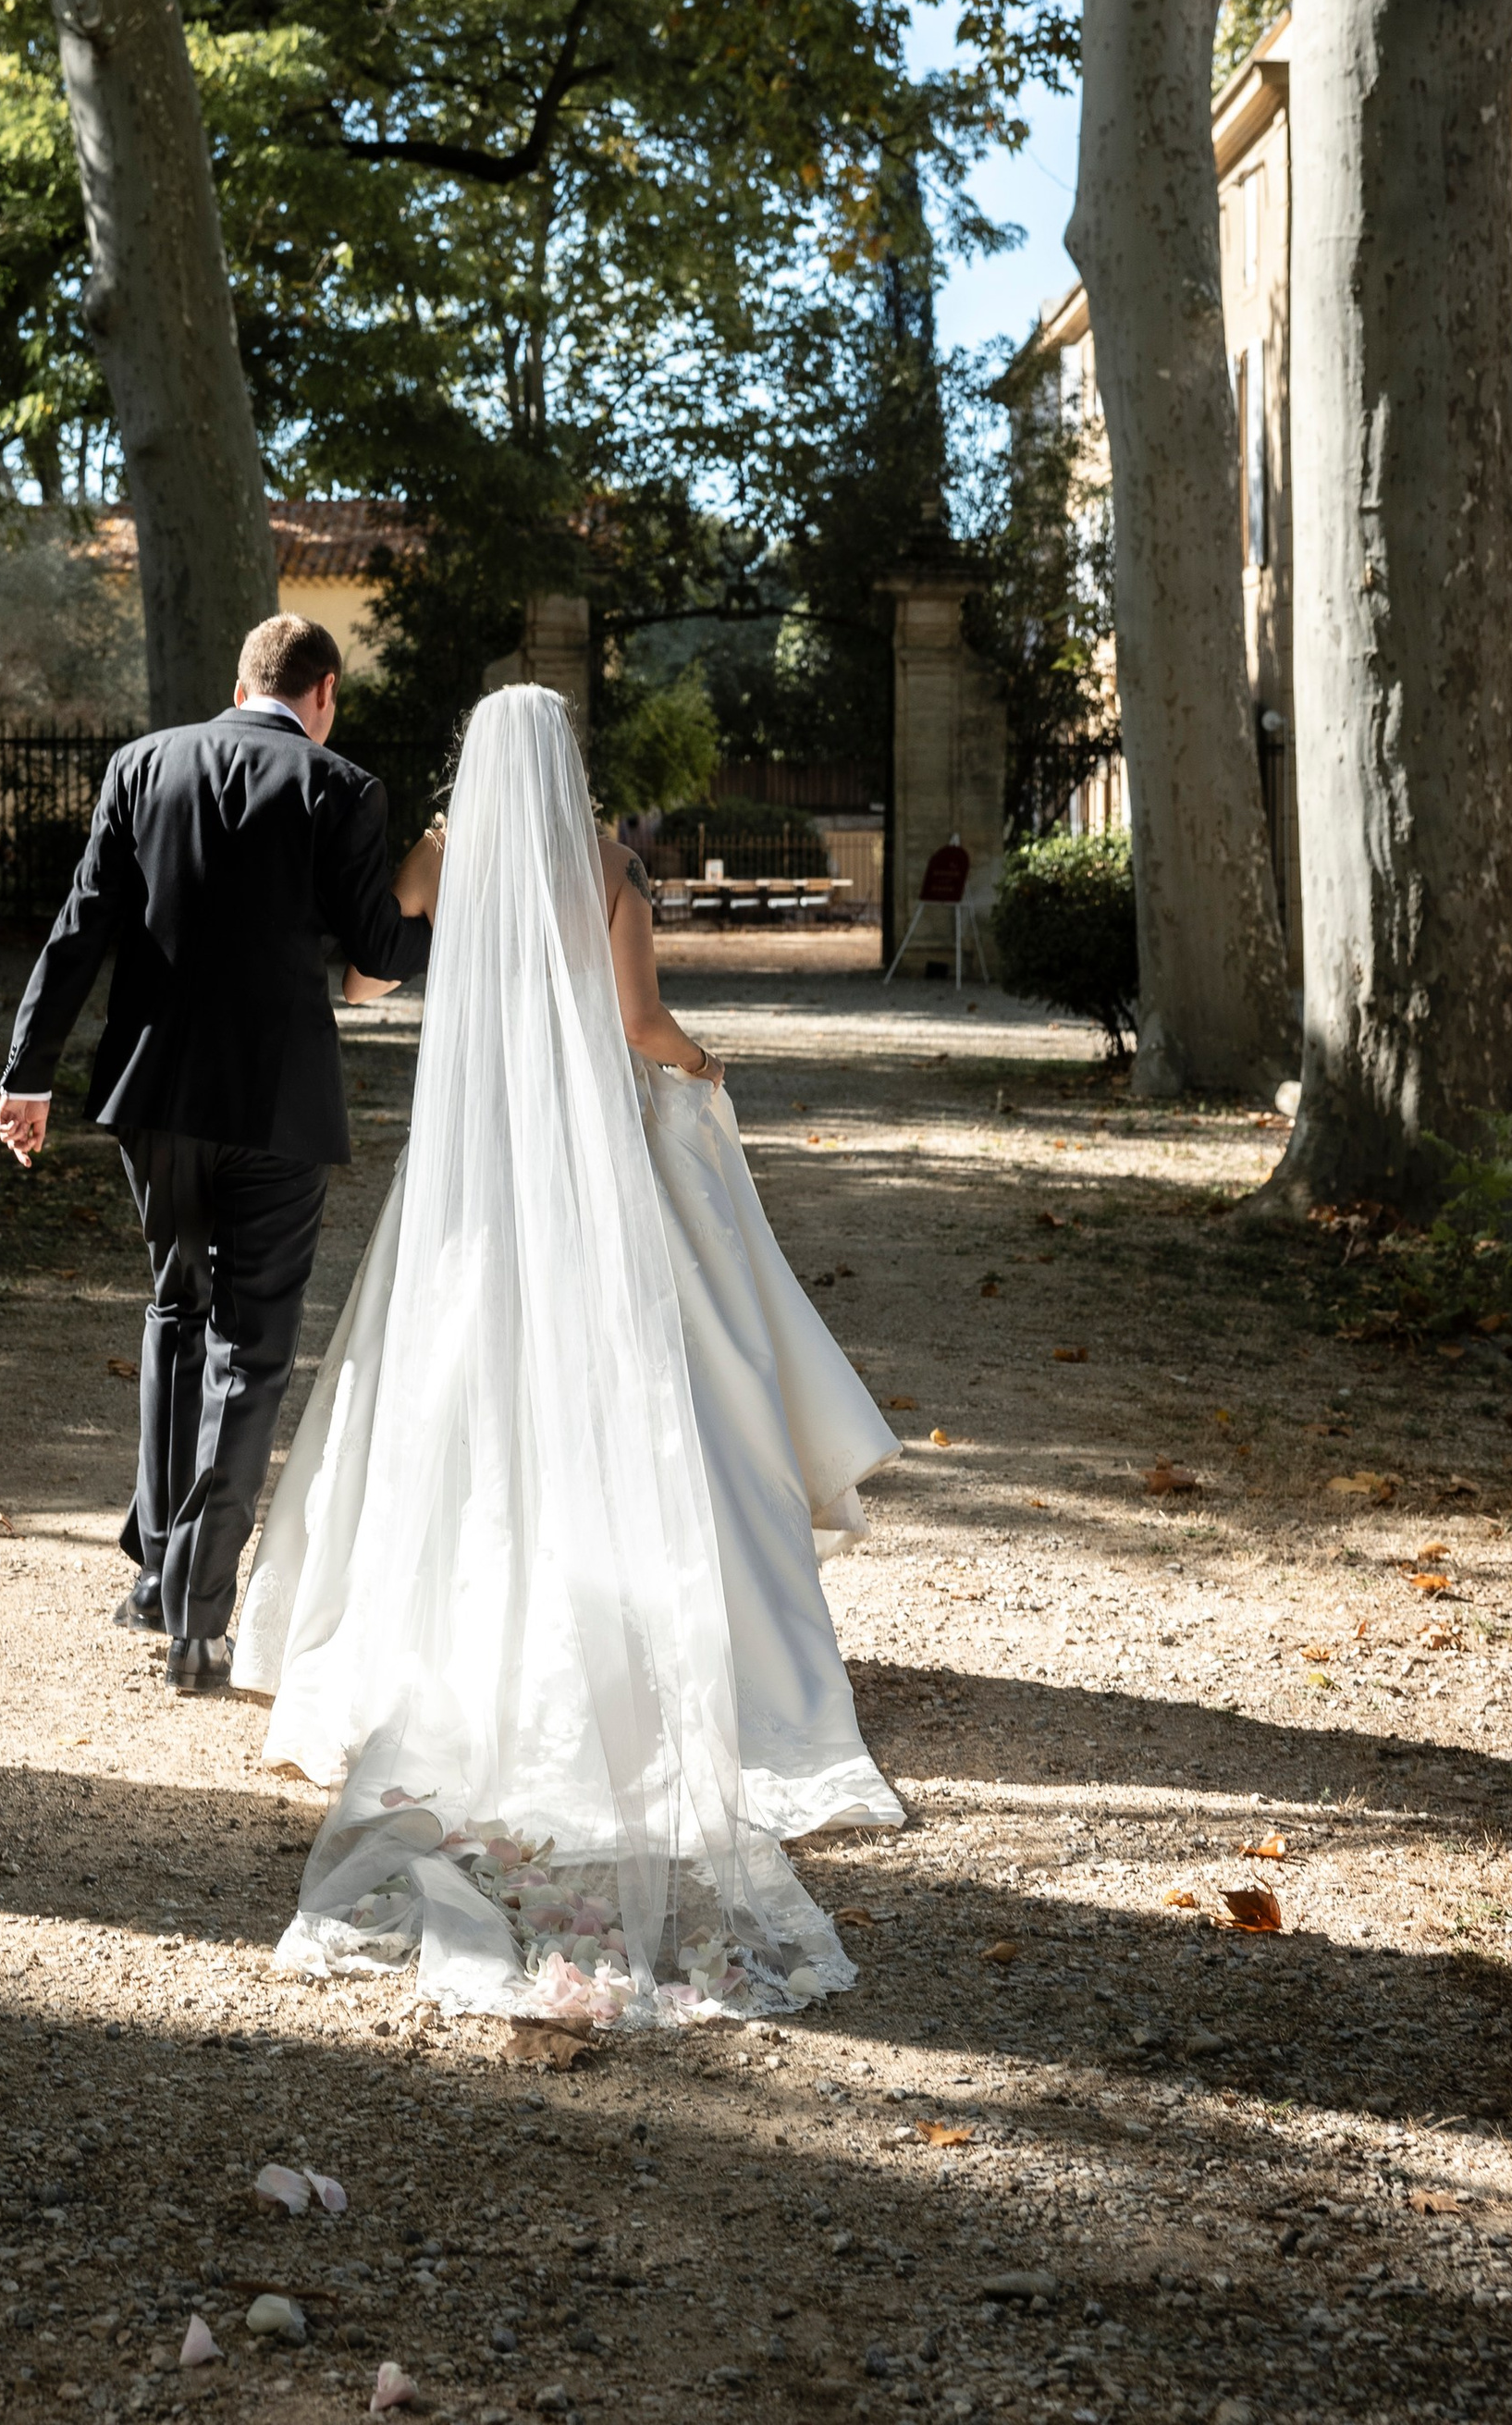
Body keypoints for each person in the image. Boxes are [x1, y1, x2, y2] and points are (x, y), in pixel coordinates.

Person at [233, 680, 902, 2027]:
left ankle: (423, 1629)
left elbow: (374, 961)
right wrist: (708, 1068)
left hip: (473, 1170)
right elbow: (639, 1024)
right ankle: (693, 1643)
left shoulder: (438, 853)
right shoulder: (607, 863)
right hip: (590, 1162)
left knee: (452, 1391)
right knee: (648, 1389)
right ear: (568, 760)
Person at [0, 614, 438, 1694]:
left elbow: (79, 927)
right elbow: (379, 950)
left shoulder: (143, 765)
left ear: (239, 682)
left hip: (154, 1098)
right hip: (279, 1109)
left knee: (175, 1311)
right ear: (322, 690)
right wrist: (454, 878)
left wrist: (28, 1073)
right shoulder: (343, 788)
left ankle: (153, 1576)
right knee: (253, 1352)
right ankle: (199, 1617)